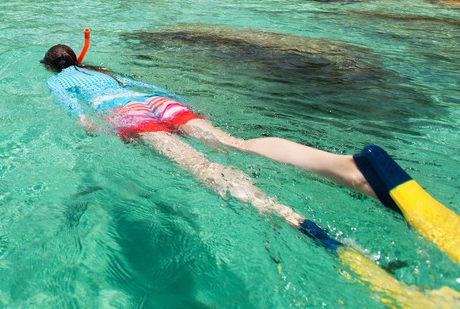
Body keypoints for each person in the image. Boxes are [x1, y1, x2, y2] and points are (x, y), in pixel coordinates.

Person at [41, 43, 378, 221]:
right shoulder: (104, 71)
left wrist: (89, 128)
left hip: (126, 113)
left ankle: (279, 211)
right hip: (157, 101)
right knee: (234, 143)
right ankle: (344, 167)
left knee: (197, 164)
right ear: (75, 58)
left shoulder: (58, 81)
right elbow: (148, 86)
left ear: (51, 67)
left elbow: (76, 112)